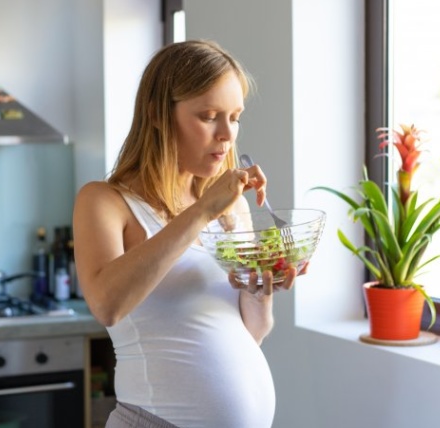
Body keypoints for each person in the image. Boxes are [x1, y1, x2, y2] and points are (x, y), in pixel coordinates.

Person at [72, 39, 304, 428]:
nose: (227, 135)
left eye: (235, 116)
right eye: (209, 115)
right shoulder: (105, 201)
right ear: (158, 114)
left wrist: (261, 285)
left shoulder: (232, 206)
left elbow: (253, 333)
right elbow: (107, 305)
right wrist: (202, 211)